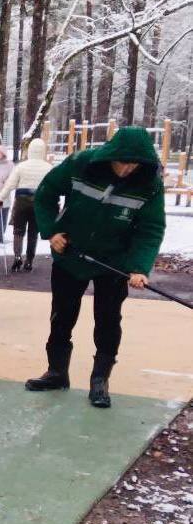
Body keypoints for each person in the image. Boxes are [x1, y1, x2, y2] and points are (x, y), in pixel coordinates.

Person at [25, 126, 165, 408]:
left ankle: (100, 380)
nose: (127, 169)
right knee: (61, 317)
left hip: (113, 263)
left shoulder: (149, 183)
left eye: (134, 164)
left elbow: (150, 228)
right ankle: (56, 372)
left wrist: (139, 267)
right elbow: (47, 192)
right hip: (71, 254)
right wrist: (52, 231)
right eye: (122, 161)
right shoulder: (81, 164)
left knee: (108, 321)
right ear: (111, 154)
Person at [0, 138, 52, 271]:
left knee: (18, 231)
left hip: (21, 201)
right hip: (39, 202)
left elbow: (10, 184)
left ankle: (17, 257)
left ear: (30, 150)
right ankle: (29, 260)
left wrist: (0, 199)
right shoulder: (48, 168)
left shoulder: (21, 166)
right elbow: (52, 188)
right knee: (33, 232)